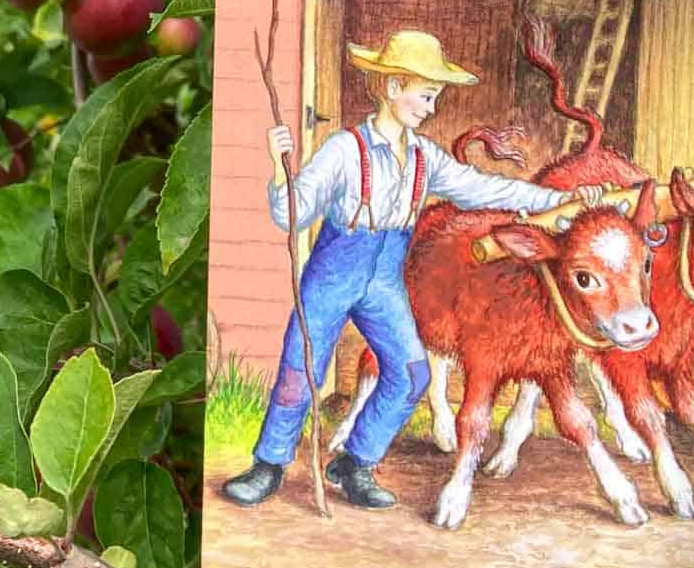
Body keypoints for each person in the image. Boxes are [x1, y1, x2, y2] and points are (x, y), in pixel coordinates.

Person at [222, 29, 602, 512]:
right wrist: (280, 170)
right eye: (426, 96)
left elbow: (488, 190)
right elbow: (290, 215)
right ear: (392, 87)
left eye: (435, 97)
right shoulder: (344, 151)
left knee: (410, 373)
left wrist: (559, 203)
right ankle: (268, 465)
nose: (431, 108)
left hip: (384, 276)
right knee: (302, 368)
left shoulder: (425, 158)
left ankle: (355, 463)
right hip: (335, 269)